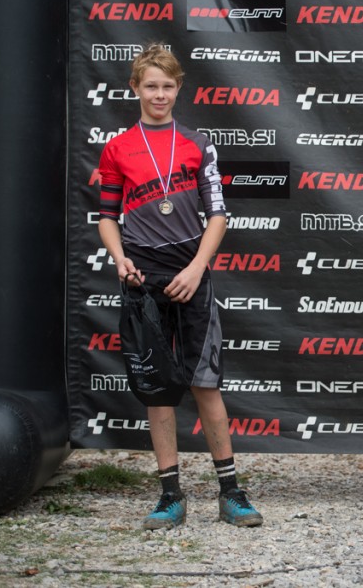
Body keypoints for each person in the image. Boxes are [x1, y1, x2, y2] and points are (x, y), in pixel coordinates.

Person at [97, 44, 263, 530]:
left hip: (192, 274)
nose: (159, 94)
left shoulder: (197, 143)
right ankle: (170, 495)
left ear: (178, 88)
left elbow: (218, 216)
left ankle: (231, 493)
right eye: (151, 85)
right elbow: (107, 217)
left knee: (206, 384)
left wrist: (196, 269)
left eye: (167, 86)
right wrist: (121, 259)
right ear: (135, 88)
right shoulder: (117, 147)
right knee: (158, 391)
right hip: (142, 277)